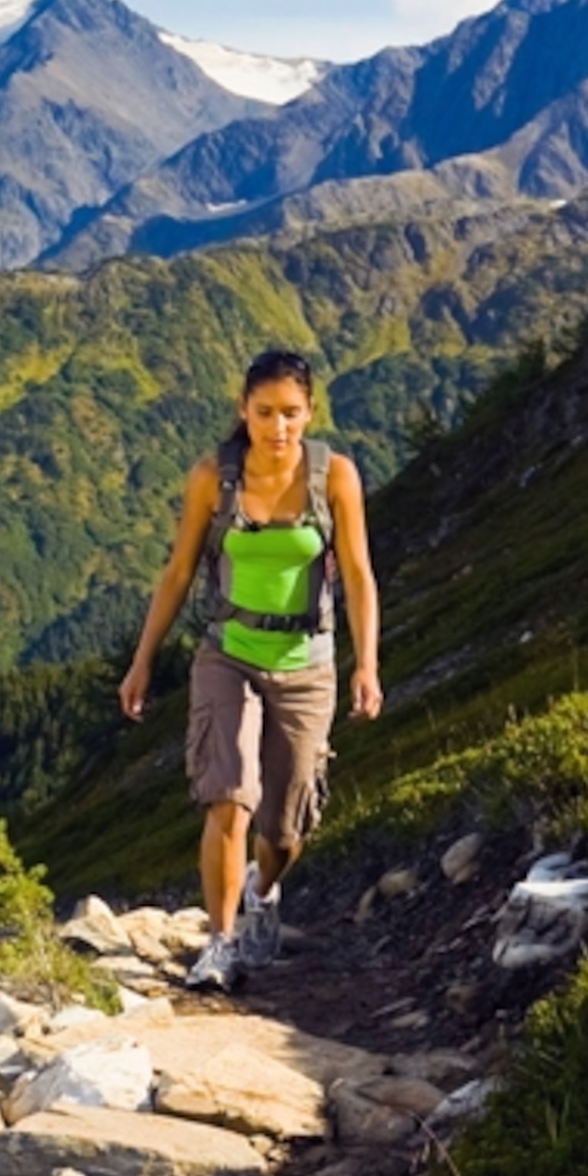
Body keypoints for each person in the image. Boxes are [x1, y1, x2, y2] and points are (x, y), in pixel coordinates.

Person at [118, 350, 383, 989]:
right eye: (264, 412)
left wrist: (366, 664)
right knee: (228, 797)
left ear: (310, 412)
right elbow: (179, 572)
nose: (278, 426)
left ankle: (264, 890)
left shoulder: (336, 478)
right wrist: (142, 661)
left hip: (307, 664)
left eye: (291, 413)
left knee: (284, 829)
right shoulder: (214, 478)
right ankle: (221, 942)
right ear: (244, 410)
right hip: (228, 654)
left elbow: (356, 575)